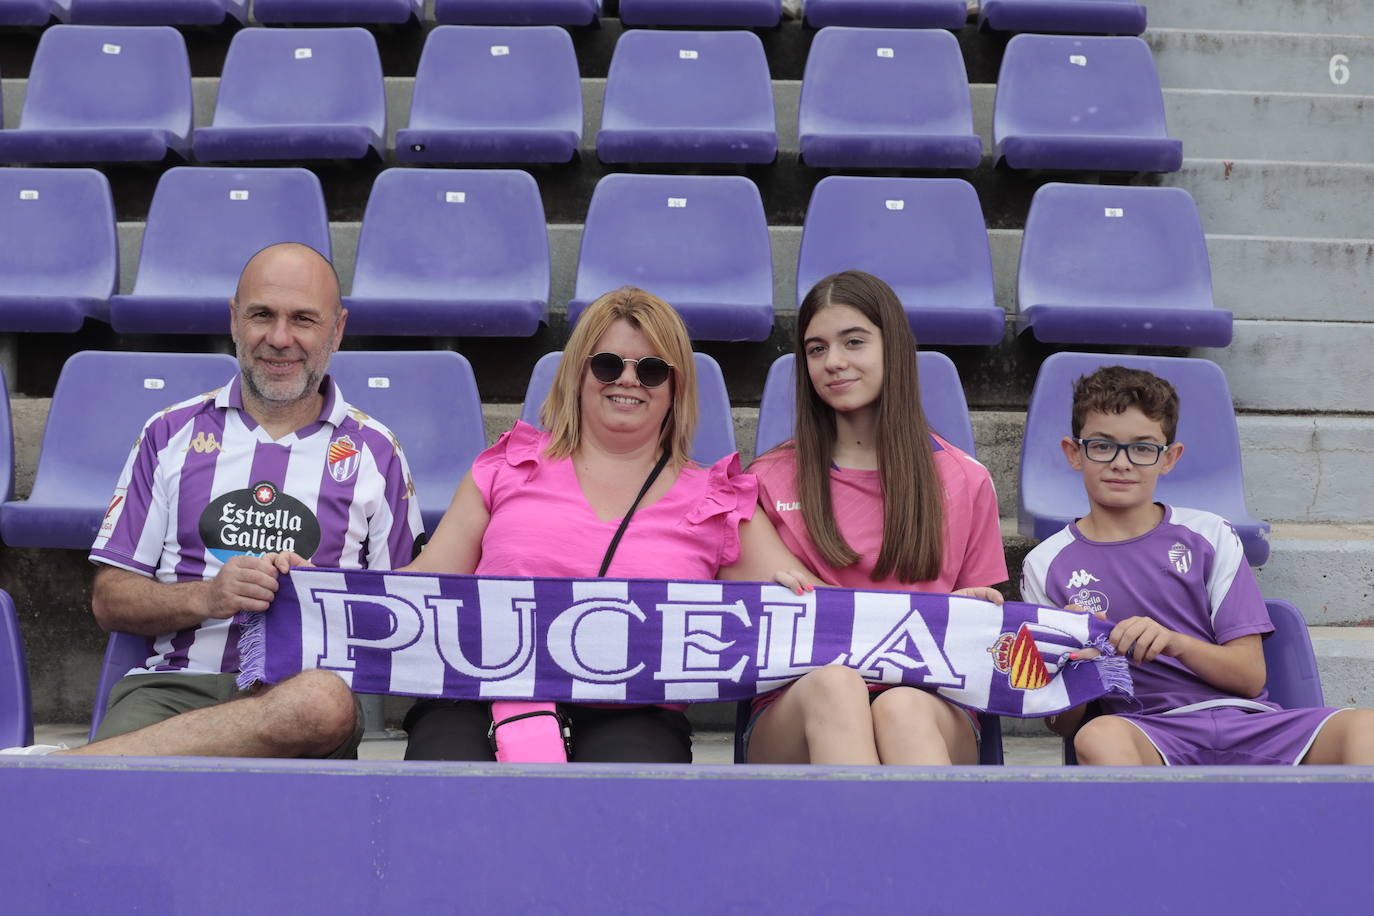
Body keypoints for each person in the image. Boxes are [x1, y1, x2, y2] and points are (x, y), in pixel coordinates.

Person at [4, 242, 422, 758]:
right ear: (233, 320)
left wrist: (321, 597)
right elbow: (109, 600)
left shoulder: (376, 452)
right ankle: (83, 774)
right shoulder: (169, 433)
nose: (279, 337)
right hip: (171, 694)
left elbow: (409, 618)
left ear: (336, 331)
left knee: (322, 701)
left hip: (300, 699)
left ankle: (68, 771)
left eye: (304, 320)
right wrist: (208, 597)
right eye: (261, 315)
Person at [400, 286, 811, 763]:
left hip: (633, 713)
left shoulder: (715, 500)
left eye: (652, 370)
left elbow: (805, 600)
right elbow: (425, 586)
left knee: (627, 787)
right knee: (446, 773)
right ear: (578, 373)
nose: (628, 381)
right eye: (608, 364)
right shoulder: (506, 468)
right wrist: (313, 586)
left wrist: (798, 594)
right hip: (480, 699)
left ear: (676, 387)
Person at [1020, 365, 1374, 765]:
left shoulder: (1209, 534)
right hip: (1145, 731)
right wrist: (1077, 660)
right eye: (1102, 445)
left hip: (1253, 725)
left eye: (1142, 447)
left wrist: (1175, 642)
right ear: (1074, 453)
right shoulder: (1044, 564)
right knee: (1099, 736)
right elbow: (1063, 724)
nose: (1122, 463)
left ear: (1169, 458)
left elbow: (1249, 676)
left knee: (1366, 729)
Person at [744, 270, 1008, 766]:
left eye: (854, 342)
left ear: (895, 350)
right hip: (798, 704)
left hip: (928, 702)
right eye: (816, 349)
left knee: (901, 708)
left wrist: (976, 609)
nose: (834, 362)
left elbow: (982, 646)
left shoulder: (964, 479)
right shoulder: (766, 478)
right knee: (836, 687)